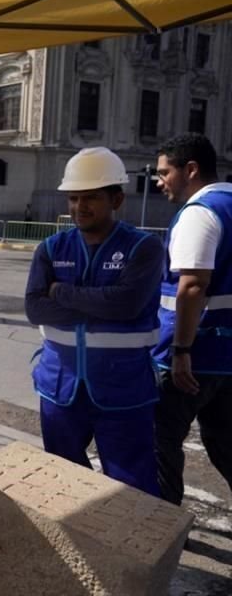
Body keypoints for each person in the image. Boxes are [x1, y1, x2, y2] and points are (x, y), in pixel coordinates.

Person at [25, 147, 164, 496]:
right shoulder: (51, 248)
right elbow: (34, 310)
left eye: (90, 198)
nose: (79, 207)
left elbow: (127, 305)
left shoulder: (143, 248)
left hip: (124, 390)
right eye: (73, 198)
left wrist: (60, 292)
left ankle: (137, 550)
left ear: (116, 199)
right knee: (63, 482)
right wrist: (101, 301)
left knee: (131, 487)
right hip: (60, 387)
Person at [150, 133, 232, 506]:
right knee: (223, 441)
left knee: (159, 438)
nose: (159, 180)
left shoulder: (201, 212)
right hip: (226, 357)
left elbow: (192, 287)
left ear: (191, 170)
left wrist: (181, 350)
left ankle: (163, 526)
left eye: (165, 172)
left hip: (192, 357)